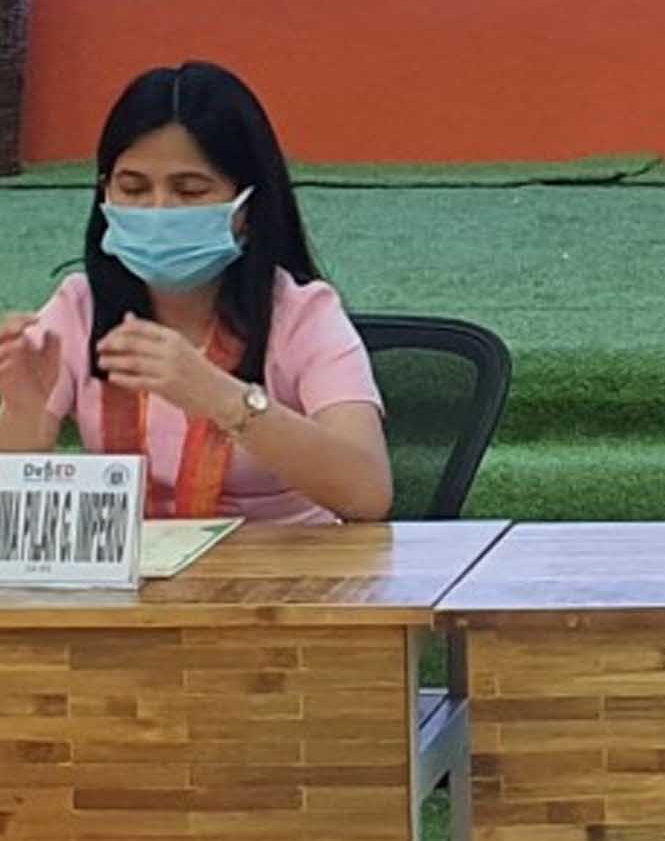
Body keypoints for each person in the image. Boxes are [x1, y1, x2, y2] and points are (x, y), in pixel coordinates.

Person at [0, 62, 392, 523]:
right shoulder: (78, 306)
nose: (158, 210)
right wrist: (22, 415)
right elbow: (14, 499)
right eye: (133, 188)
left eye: (189, 191)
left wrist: (223, 399)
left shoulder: (303, 314)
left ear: (248, 205)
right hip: (136, 565)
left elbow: (368, 492)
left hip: (286, 564)